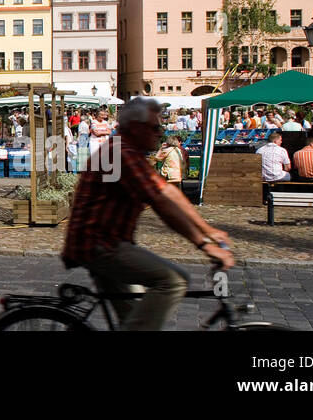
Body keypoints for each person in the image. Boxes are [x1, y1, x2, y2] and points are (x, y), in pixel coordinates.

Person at [62, 97, 234, 331]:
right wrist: (203, 243)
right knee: (173, 280)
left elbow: (168, 193)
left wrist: (208, 229)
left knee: (134, 317)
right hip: (100, 245)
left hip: (103, 242)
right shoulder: (122, 154)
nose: (160, 132)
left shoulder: (126, 151)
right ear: (135, 127)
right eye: (155, 127)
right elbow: (161, 204)